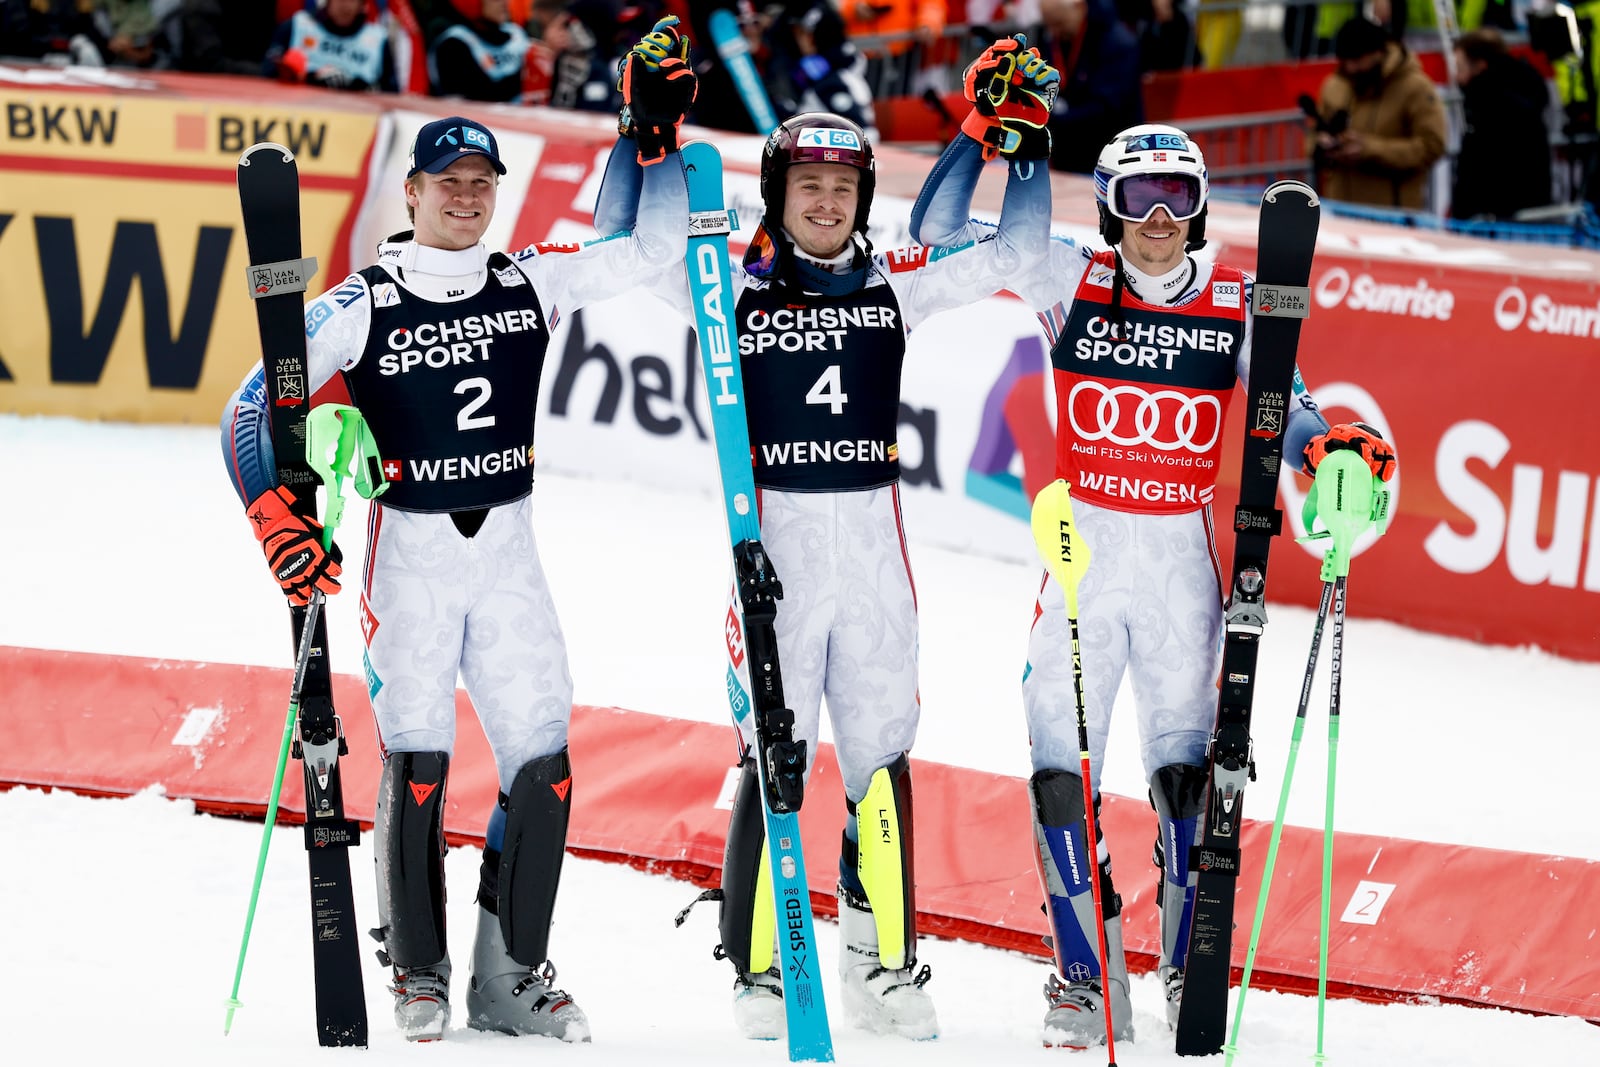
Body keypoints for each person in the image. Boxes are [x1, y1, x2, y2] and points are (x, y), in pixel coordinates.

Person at [219, 21, 694, 1043]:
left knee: (544, 759)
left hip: (511, 554)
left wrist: (643, 138)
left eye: (482, 181)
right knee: (417, 756)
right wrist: (274, 514)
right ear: (413, 193)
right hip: (415, 555)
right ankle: (420, 970)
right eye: (448, 183)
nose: (467, 196)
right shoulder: (366, 299)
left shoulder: (530, 277)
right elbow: (253, 405)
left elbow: (646, 245)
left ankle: (510, 972)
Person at [594, 34, 1058, 1044]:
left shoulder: (894, 280)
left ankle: (879, 961)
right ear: (776, 191)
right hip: (780, 560)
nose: (824, 201)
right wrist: (645, 137)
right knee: (778, 755)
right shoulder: (732, 288)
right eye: (805, 183)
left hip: (879, 560)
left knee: (884, 759)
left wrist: (1020, 147)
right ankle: (758, 964)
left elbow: (1018, 257)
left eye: (841, 185)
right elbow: (620, 243)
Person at [911, 122, 1398, 1047]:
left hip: (1180, 565)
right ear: (1108, 206)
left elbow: (1286, 407)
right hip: (1084, 560)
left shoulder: (1236, 298)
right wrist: (991, 138)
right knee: (1060, 770)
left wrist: (1332, 444)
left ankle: (1185, 961)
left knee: (1184, 780)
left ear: (1204, 203)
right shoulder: (1065, 275)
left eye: (1179, 194)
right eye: (1140, 198)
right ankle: (1084, 979)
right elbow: (935, 237)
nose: (1161, 216)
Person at [1308, 15, 1447, 209]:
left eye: (1357, 59)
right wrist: (1322, 145)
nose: (1351, 68)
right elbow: (1312, 136)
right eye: (1345, 60)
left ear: (1379, 53)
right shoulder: (1335, 85)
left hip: (1393, 215)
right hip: (1340, 210)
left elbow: (1432, 145)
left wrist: (1369, 149)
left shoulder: (1415, 87)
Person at [1451, 27, 1553, 221]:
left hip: (1499, 218)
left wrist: (1465, 213)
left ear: (1480, 66)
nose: (1458, 77)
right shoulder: (1519, 94)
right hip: (1521, 214)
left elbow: (1482, 169)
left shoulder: (1492, 104)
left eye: (1460, 68)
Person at [1034, 0, 1145, 174]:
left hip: (1111, 154)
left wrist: (1053, 120)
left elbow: (1108, 107)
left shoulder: (1117, 43)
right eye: (1049, 25)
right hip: (1067, 154)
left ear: (1080, 7)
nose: (1054, 31)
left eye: (1059, 23)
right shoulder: (1053, 39)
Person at [263, 0, 398, 92]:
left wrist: (355, 85)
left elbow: (391, 92)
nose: (345, 5)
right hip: (300, 110)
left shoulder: (378, 39)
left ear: (362, 4)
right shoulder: (298, 25)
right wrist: (312, 78)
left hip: (357, 117)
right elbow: (267, 73)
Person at [426, 0, 531, 101]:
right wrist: (526, 75)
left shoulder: (516, 33)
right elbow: (477, 97)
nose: (505, 2)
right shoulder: (454, 44)